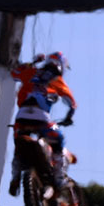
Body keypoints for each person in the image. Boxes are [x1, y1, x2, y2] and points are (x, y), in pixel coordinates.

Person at [8, 52, 76, 196]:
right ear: (62, 66)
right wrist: (69, 117)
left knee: (18, 146)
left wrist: (31, 63)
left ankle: (15, 176)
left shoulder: (31, 72)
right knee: (59, 140)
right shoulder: (57, 79)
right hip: (41, 118)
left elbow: (13, 74)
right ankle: (58, 178)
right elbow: (71, 103)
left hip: (21, 117)